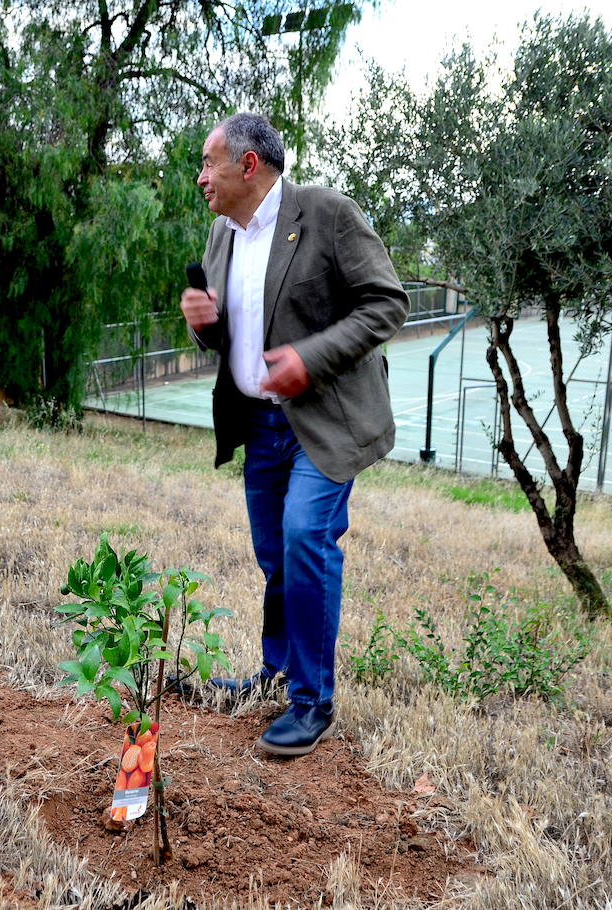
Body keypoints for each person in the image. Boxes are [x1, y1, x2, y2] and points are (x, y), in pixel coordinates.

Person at [178, 113, 407, 757]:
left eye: (208, 164)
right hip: (259, 424)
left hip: (325, 422)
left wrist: (312, 357)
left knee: (307, 537)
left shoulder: (326, 214)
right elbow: (233, 337)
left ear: (248, 166)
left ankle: (311, 701)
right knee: (275, 554)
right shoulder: (221, 235)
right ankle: (276, 671)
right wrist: (204, 323)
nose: (201, 178)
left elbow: (386, 303)